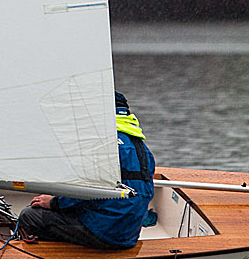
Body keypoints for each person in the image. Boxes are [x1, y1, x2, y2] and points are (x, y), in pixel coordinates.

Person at [17, 92, 155, 250]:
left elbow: (86, 189)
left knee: (30, 216)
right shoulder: (141, 146)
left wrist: (54, 202)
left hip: (105, 233)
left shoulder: (102, 144)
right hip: (128, 233)